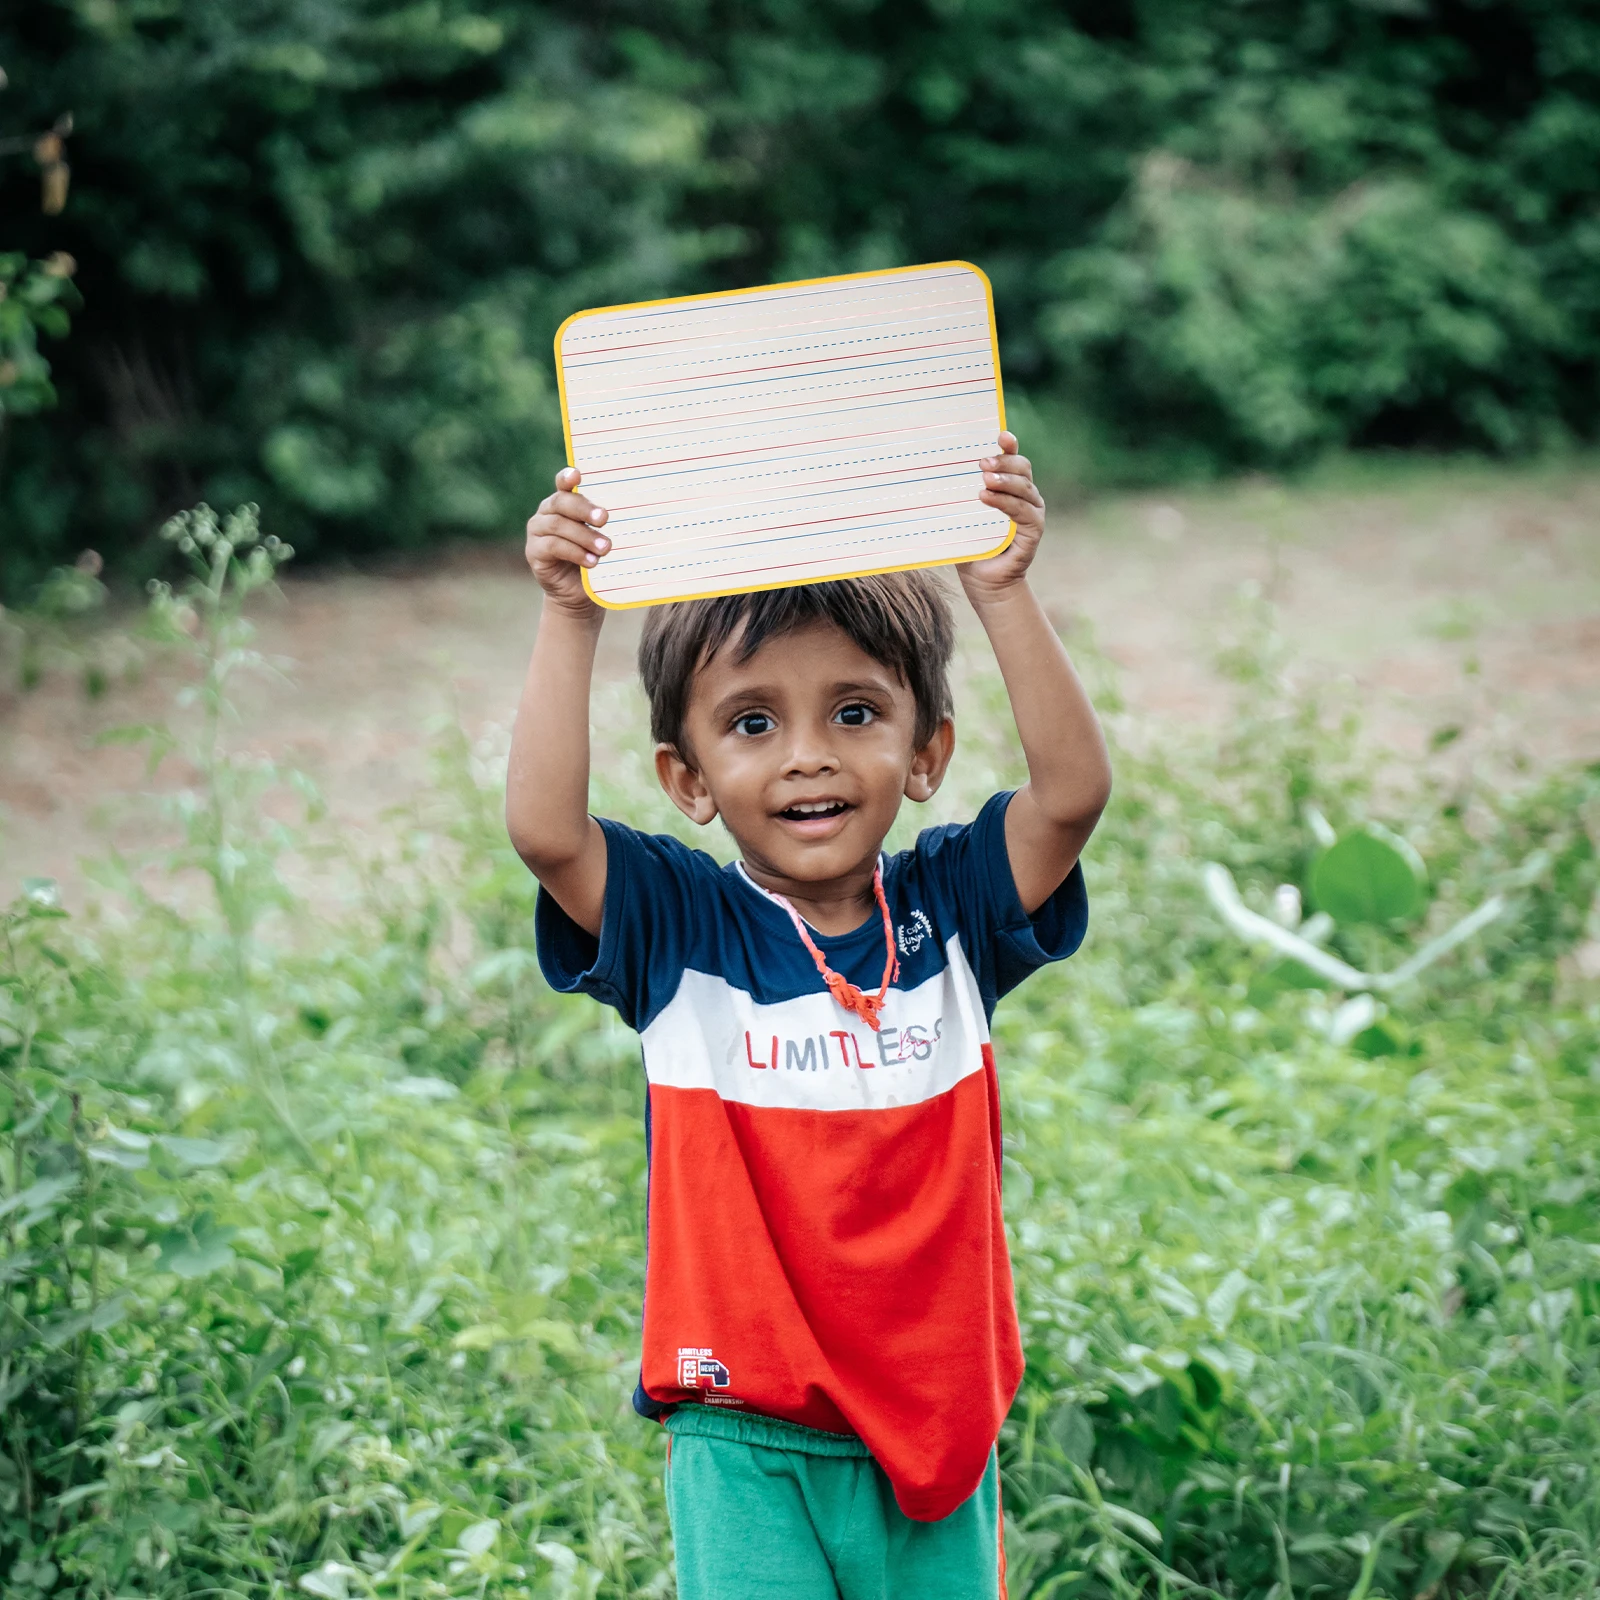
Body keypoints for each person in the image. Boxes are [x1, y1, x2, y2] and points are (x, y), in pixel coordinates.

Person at [507, 432, 1112, 1600]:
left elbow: (1072, 795)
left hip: (938, 1433)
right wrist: (570, 614)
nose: (806, 758)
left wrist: (1000, 585)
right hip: (745, 1432)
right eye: (750, 723)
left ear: (926, 750)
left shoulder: (952, 906)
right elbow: (545, 833)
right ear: (685, 781)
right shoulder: (679, 926)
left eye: (852, 712)